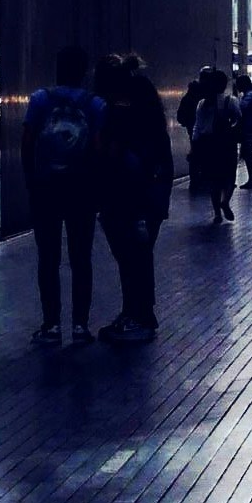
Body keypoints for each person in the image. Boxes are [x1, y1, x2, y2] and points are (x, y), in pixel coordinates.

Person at [22, 43, 102, 340]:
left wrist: (31, 179)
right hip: (82, 190)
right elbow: (98, 148)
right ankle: (80, 325)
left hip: (46, 189)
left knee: (48, 258)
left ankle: (51, 324)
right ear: (84, 73)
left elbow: (27, 141)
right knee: (81, 258)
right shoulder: (95, 105)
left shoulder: (40, 100)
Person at [94, 52, 173, 337]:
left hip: (129, 196)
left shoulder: (118, 113)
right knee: (138, 256)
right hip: (151, 194)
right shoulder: (146, 107)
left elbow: (112, 153)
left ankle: (138, 315)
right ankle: (136, 313)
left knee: (130, 257)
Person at [188, 69, 241, 224]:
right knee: (230, 175)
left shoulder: (202, 103)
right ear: (224, 85)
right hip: (226, 144)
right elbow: (238, 118)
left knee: (213, 179)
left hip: (208, 145)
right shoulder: (230, 101)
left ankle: (217, 212)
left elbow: (197, 127)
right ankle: (225, 201)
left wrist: (194, 146)